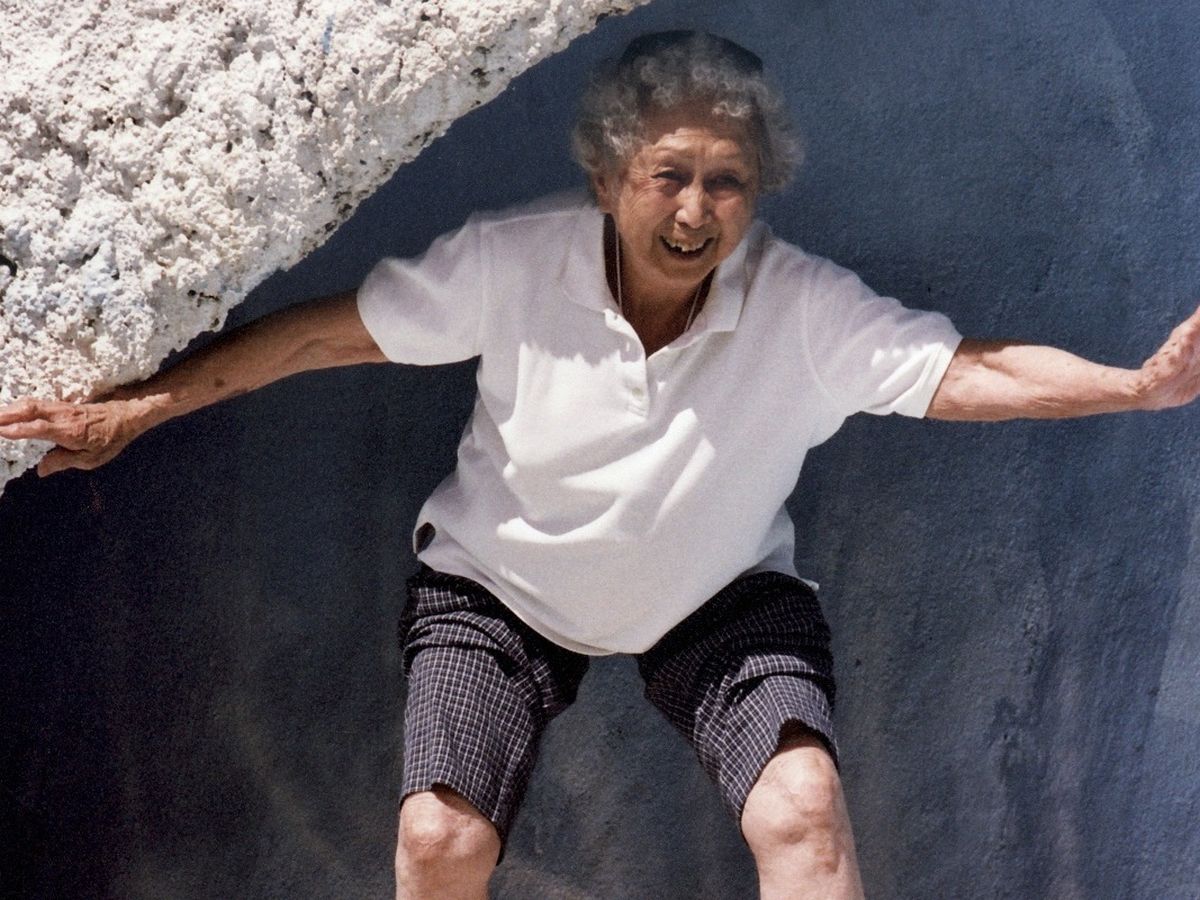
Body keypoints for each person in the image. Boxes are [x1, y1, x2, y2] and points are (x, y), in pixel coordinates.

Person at [2, 30, 1199, 900]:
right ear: (607, 176)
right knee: (438, 839)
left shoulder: (803, 306)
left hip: (719, 596)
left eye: (726, 182)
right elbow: (321, 335)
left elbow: (964, 372)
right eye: (668, 175)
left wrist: (1136, 387)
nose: (696, 210)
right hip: (499, 588)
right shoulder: (512, 263)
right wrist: (144, 409)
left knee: (803, 812)